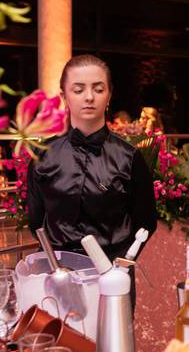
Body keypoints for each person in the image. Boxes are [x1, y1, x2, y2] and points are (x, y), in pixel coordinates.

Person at [27, 54, 157, 264]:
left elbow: (146, 223)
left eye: (98, 89)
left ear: (109, 95)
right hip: (56, 269)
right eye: (78, 90)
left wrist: (121, 265)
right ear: (64, 97)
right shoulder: (42, 155)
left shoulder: (130, 157)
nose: (89, 97)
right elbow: (35, 222)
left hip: (114, 271)